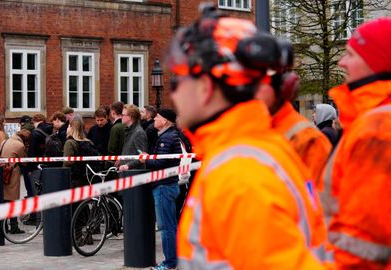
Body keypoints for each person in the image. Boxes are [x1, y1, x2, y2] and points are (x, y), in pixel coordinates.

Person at [167, 4, 326, 269]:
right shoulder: (255, 150)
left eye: (178, 78)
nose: (174, 92)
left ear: (206, 87)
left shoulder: (239, 175)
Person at [321, 17, 391, 269]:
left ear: (375, 62)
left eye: (351, 53)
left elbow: (365, 243)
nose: (342, 62)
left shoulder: (377, 129)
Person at [255, 70, 332, 187]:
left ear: (283, 88)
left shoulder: (307, 138)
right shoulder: (249, 128)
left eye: (259, 84)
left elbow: (316, 197)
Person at [141, 109, 182, 270]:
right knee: (170, 225)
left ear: (165, 121)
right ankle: (173, 260)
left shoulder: (167, 138)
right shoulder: (168, 136)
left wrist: (146, 159)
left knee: (166, 227)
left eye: (157, 117)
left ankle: (170, 263)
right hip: (168, 184)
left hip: (164, 185)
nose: (154, 120)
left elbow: (161, 163)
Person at [0, 129, 31, 234]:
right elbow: (24, 162)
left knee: (5, 200)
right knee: (12, 199)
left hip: (3, 171)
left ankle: (4, 226)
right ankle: (14, 227)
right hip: (12, 173)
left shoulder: (5, 141)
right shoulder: (19, 145)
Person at [117, 104, 148, 172]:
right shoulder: (129, 131)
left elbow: (142, 157)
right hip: (127, 173)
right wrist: (122, 159)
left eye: (123, 115)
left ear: (130, 117)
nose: (120, 117)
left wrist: (128, 165)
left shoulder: (139, 133)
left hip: (134, 174)